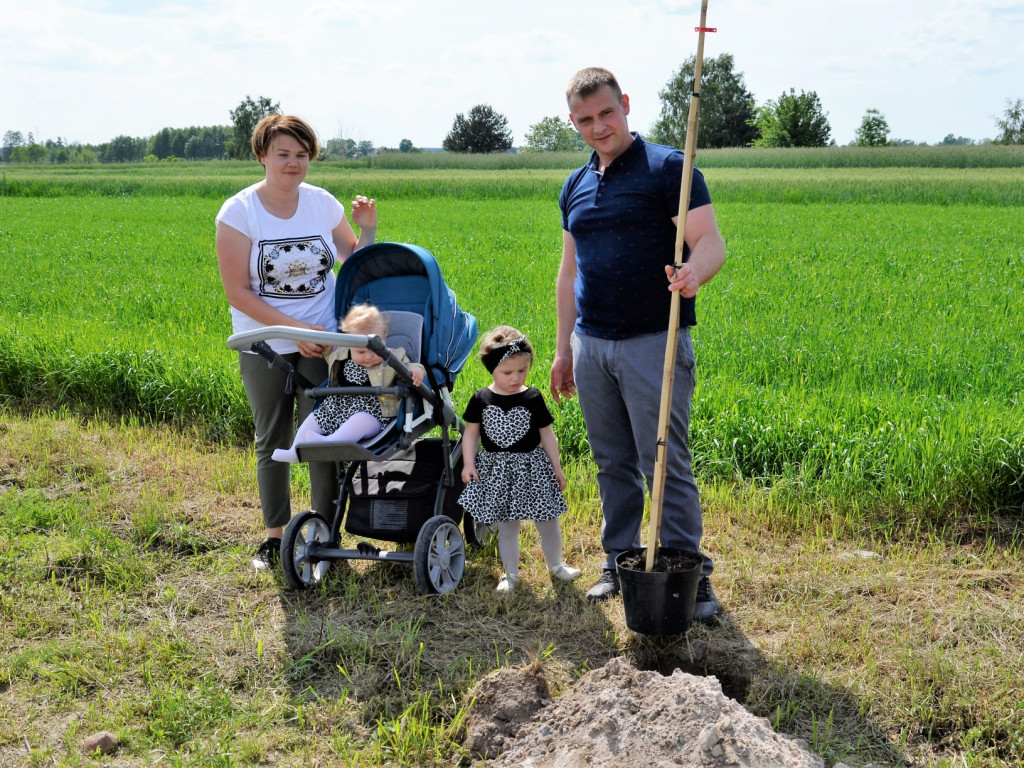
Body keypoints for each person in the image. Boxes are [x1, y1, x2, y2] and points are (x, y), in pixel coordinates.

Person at [549, 67, 726, 621]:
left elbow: (710, 243)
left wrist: (694, 273)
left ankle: (687, 571)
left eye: (606, 113)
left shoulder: (669, 168)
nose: (598, 127)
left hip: (655, 340)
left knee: (665, 460)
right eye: (585, 120)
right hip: (591, 343)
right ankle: (618, 560)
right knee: (612, 462)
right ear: (573, 123)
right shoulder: (575, 185)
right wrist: (561, 350)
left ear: (624, 104)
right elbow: (567, 272)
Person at [215, 114, 378, 571]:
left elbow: (353, 260)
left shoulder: (322, 203)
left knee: (323, 438)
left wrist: (366, 229)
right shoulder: (239, 212)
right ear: (262, 155)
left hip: (323, 343)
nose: (293, 163)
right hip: (265, 342)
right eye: (283, 154)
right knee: (274, 438)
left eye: (301, 155)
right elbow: (238, 292)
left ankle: (325, 532)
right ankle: (274, 536)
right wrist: (291, 333)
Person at [459, 326, 582, 595]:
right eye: (507, 373)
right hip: (497, 471)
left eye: (522, 371)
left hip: (533, 468)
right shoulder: (481, 399)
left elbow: (548, 436)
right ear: (491, 369)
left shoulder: (532, 397)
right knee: (507, 526)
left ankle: (556, 565)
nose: (515, 378)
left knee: (547, 520)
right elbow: (470, 434)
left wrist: (557, 468)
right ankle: (510, 575)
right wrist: (469, 463)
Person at [271, 303, 426, 463]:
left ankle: (331, 442)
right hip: (339, 406)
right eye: (361, 351)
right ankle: (295, 449)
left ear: (384, 338)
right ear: (348, 342)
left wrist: (415, 370)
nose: (368, 356)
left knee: (361, 419)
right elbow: (325, 347)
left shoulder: (392, 356)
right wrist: (316, 338)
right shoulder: (340, 352)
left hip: (374, 412)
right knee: (314, 417)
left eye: (375, 349)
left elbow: (408, 366)